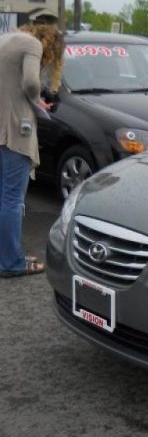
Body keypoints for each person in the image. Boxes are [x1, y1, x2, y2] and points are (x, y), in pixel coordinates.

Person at [0, 22, 64, 277]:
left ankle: (7, 254)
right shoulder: (32, 44)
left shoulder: (5, 39)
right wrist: (37, 99)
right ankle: (11, 263)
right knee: (12, 199)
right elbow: (29, 82)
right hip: (16, 129)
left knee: (3, 197)